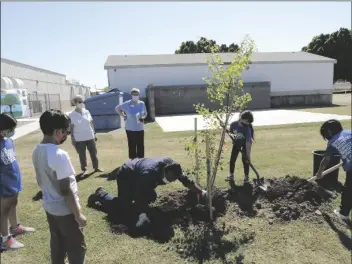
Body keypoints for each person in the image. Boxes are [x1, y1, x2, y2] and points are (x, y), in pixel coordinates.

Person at [87, 157, 207, 228]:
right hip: (127, 175)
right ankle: (100, 194)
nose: (172, 181)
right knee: (124, 207)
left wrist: (201, 192)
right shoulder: (149, 174)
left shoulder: (173, 167)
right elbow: (140, 196)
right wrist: (145, 214)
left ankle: (129, 203)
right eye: (170, 179)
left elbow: (186, 181)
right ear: (165, 172)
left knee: (152, 196)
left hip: (139, 175)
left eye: (174, 179)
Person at [32, 110, 87, 264]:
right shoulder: (59, 154)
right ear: (58, 131)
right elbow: (65, 189)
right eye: (66, 132)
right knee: (77, 246)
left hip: (50, 207)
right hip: (65, 211)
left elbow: (39, 179)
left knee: (57, 243)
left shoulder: (37, 150)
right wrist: (78, 215)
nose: (67, 135)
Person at [0, 113, 35, 250]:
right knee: (3, 211)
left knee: (13, 204)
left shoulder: (9, 141)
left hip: (13, 180)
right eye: (10, 129)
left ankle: (15, 227)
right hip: (3, 184)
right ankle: (5, 239)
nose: (12, 132)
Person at [315, 119, 351, 222]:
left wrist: (319, 172)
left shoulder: (333, 142)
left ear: (329, 132)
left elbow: (326, 160)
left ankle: (343, 214)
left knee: (348, 190)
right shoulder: (349, 132)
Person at [69, 95, 103, 175]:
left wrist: (94, 133)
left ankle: (96, 167)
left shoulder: (86, 111)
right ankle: (84, 169)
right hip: (79, 138)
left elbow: (91, 123)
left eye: (82, 101)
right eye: (79, 102)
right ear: (75, 103)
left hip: (90, 135)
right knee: (82, 155)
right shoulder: (72, 114)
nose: (81, 103)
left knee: (94, 153)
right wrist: (72, 138)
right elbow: (71, 127)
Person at [115, 88, 147, 160]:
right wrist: (123, 116)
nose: (135, 95)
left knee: (140, 145)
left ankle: (140, 160)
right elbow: (117, 108)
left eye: (137, 94)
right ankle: (132, 161)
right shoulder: (127, 104)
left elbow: (145, 113)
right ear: (131, 95)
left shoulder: (142, 103)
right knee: (132, 144)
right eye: (134, 94)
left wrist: (143, 117)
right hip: (130, 128)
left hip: (140, 128)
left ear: (139, 95)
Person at [226, 110, 255, 183]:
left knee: (245, 161)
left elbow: (248, 143)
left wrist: (248, 156)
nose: (248, 124)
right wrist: (227, 131)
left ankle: (246, 177)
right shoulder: (233, 124)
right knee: (232, 160)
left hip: (245, 144)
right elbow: (231, 132)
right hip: (236, 143)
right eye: (248, 122)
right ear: (243, 119)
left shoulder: (247, 129)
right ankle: (231, 176)